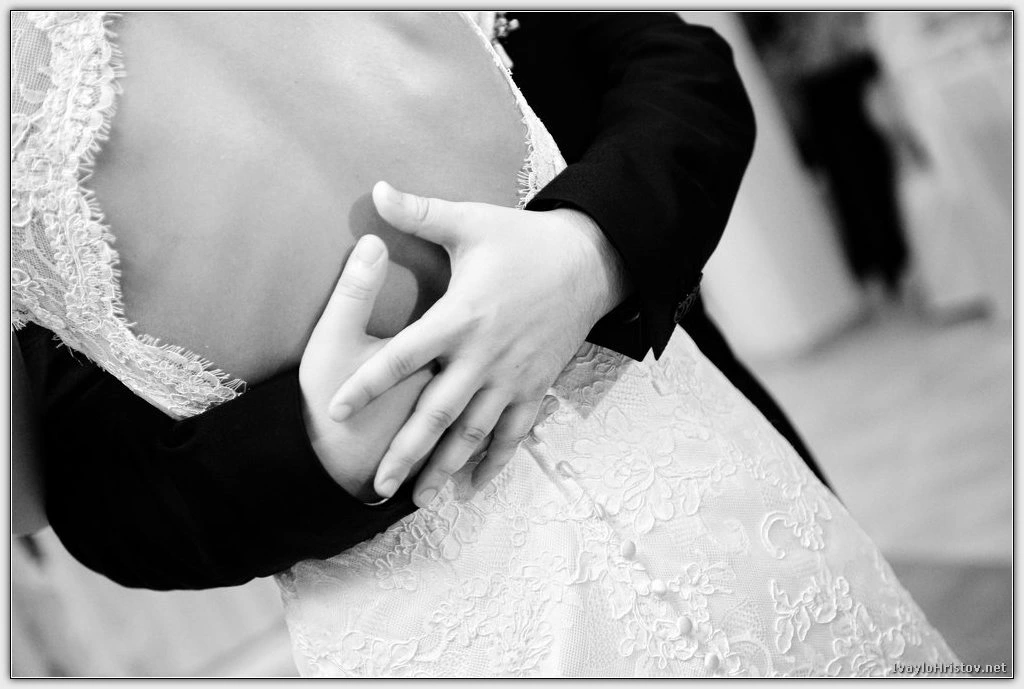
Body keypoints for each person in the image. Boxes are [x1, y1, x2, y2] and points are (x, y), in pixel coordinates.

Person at [12, 11, 956, 676]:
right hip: (459, 618)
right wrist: (310, 446)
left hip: (724, 493)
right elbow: (80, 490)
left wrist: (590, 248)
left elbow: (678, 63)